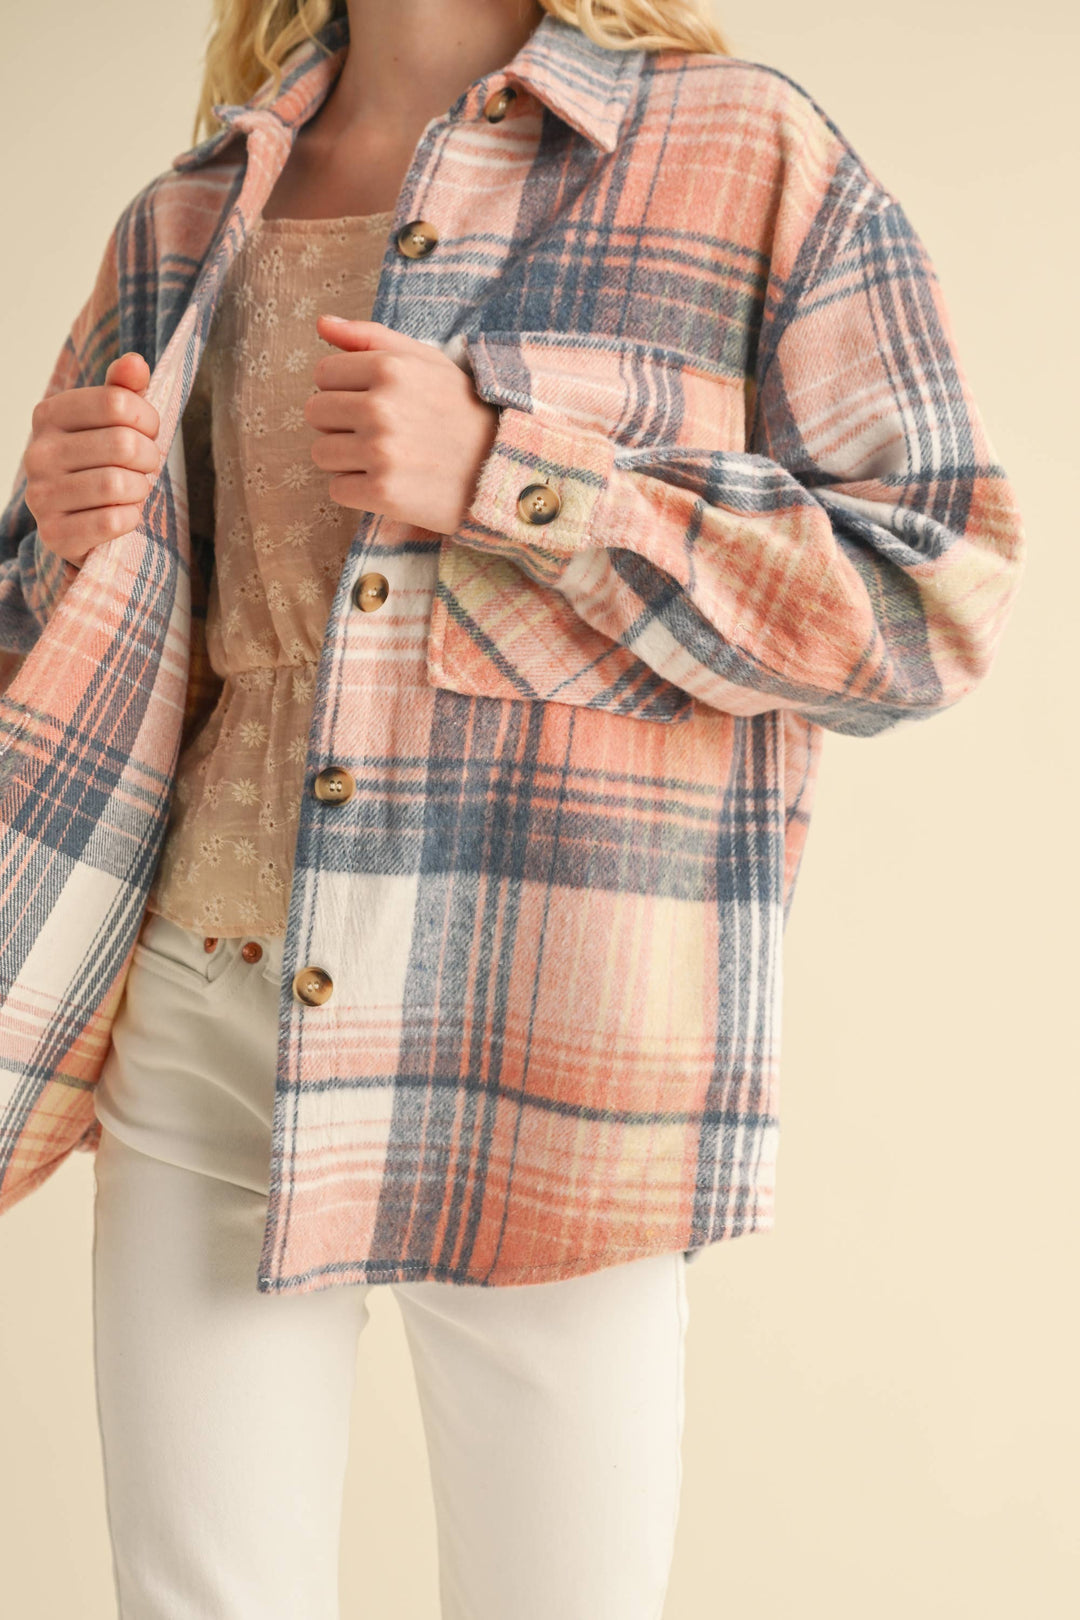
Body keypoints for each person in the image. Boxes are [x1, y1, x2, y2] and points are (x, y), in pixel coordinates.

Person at [0, 1, 1026, 1615]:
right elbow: (70, 659)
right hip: (199, 1012)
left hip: (545, 1035)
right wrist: (65, 540)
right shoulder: (189, 211)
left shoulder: (739, 150)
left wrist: (518, 476)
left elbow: (935, 602)